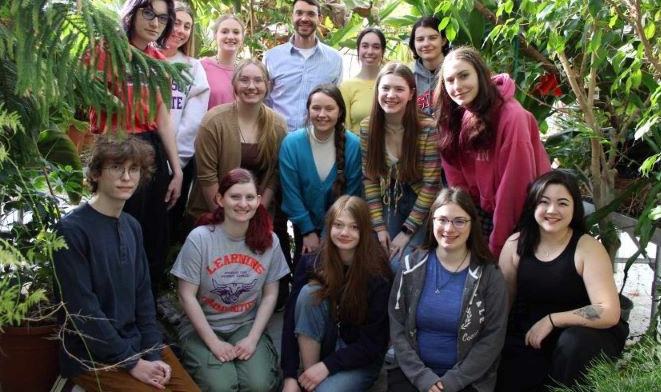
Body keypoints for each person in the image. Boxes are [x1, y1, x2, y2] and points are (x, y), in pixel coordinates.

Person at [53, 135, 199, 392]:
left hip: (138, 345)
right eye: (117, 167)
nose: (126, 177)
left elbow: (144, 299)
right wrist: (132, 363)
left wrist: (153, 355)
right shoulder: (71, 231)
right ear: (96, 173)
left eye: (134, 169)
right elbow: (83, 312)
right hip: (91, 358)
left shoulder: (132, 226)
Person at [88, 0, 183, 292]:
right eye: (148, 14)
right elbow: (87, 102)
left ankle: (149, 302)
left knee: (153, 230)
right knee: (114, 227)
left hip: (150, 146)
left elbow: (162, 118)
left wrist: (177, 169)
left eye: (163, 18)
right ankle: (112, 301)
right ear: (132, 12)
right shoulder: (105, 50)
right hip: (114, 146)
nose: (155, 23)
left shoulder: (159, 60)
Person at [496, 171, 628, 391]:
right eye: (544, 202)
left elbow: (608, 311)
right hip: (531, 331)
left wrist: (552, 320)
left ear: (575, 208)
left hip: (585, 333)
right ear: (532, 206)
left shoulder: (587, 248)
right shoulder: (515, 244)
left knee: (573, 344)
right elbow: (503, 304)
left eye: (562, 203)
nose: (552, 211)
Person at [171, 168, 290, 392]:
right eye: (235, 196)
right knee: (222, 387)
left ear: (257, 201)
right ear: (220, 199)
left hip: (245, 325)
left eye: (249, 197)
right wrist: (213, 343)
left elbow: (271, 293)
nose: (242, 204)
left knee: (259, 385)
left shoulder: (269, 241)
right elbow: (186, 296)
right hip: (204, 326)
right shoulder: (201, 238)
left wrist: (253, 338)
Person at [387, 187, 508, 392]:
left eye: (459, 221)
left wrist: (452, 382)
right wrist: (423, 378)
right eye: (442, 219)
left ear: (472, 224)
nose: (449, 229)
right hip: (413, 374)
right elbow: (397, 327)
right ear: (432, 221)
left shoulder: (489, 275)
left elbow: (493, 338)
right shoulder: (410, 266)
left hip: (468, 380)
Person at [435, 46, 551, 258]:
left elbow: (514, 191)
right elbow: (457, 182)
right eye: (450, 80)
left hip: (520, 216)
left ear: (480, 75)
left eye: (464, 76)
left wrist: (497, 247)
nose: (457, 86)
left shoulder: (512, 116)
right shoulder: (454, 116)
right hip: (479, 211)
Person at [281, 195, 392, 392]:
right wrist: (290, 375)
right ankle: (309, 378)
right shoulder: (312, 262)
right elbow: (290, 318)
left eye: (354, 227)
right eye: (338, 225)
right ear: (329, 226)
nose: (344, 232)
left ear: (365, 231)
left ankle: (316, 379)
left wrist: (327, 366)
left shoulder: (378, 272)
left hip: (361, 356)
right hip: (323, 343)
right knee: (309, 293)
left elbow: (374, 342)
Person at [360, 62, 441, 271]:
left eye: (399, 89)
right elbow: (369, 179)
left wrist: (406, 232)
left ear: (411, 93)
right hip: (390, 198)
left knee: (399, 264)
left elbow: (431, 185)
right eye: (385, 88)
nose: (390, 95)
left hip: (422, 203)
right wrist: (379, 227)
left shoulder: (427, 129)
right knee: (377, 259)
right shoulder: (368, 128)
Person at [188, 59, 287, 221]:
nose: (251, 86)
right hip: (214, 214)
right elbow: (207, 176)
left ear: (267, 85)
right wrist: (226, 221)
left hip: (257, 215)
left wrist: (258, 215)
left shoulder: (278, 126)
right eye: (244, 80)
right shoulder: (213, 121)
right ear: (234, 84)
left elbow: (274, 176)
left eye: (258, 80)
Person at [279, 84, 362, 263]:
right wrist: (308, 231)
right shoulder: (291, 144)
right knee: (306, 275)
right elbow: (291, 192)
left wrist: (329, 233)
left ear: (340, 112)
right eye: (316, 108)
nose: (322, 114)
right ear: (308, 110)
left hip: (342, 228)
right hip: (304, 229)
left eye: (329, 108)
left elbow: (353, 192)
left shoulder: (353, 145)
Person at [162, 1, 210, 241]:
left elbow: (192, 124)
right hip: (137, 155)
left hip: (176, 163)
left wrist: (173, 165)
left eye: (187, 26)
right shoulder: (140, 59)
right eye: (176, 22)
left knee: (164, 230)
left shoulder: (193, 68)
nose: (180, 30)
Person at [263, 0, 343, 132]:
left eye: (311, 14)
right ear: (292, 17)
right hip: (277, 139)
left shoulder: (334, 60)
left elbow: (335, 104)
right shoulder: (271, 58)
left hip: (317, 141)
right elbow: (264, 101)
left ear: (320, 19)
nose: (304, 19)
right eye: (299, 13)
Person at [339, 28, 386, 134]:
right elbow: (345, 128)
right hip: (358, 148)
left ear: (383, 51)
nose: (370, 51)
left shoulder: (391, 84)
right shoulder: (346, 87)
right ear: (358, 49)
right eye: (365, 46)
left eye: (376, 47)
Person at [199, 13, 245, 109]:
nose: (231, 37)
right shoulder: (201, 67)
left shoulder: (246, 70)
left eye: (236, 32)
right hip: (209, 123)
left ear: (242, 37)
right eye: (224, 32)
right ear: (215, 35)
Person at [409, 16, 450, 115]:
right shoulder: (408, 76)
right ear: (413, 44)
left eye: (432, 38)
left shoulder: (455, 71)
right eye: (420, 39)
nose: (426, 44)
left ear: (443, 40)